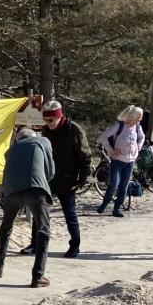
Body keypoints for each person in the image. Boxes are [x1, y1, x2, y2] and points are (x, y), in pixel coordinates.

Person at [0, 128, 55, 288]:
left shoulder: (10, 150)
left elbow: (6, 175)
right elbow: (50, 171)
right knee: (43, 231)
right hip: (36, 190)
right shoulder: (43, 141)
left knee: (6, 228)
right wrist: (41, 181)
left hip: (12, 191)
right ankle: (38, 276)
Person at [40, 100, 92, 257]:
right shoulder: (46, 130)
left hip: (67, 177)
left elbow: (85, 155)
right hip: (48, 177)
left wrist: (84, 176)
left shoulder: (74, 130)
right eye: (45, 120)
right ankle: (36, 244)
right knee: (40, 211)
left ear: (59, 116)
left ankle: (75, 245)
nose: (48, 123)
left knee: (70, 214)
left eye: (51, 120)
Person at [97, 105, 146, 217]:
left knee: (124, 186)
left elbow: (142, 137)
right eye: (140, 117)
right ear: (133, 117)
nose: (141, 119)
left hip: (130, 162)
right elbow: (104, 137)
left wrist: (138, 147)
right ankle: (104, 204)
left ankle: (117, 209)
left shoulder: (138, 127)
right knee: (114, 185)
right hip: (117, 161)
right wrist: (111, 150)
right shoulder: (119, 126)